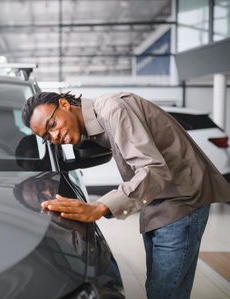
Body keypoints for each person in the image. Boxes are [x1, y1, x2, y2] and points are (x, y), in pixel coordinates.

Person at [21, 91, 230, 299]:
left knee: (164, 293)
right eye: (48, 137)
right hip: (157, 202)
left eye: (52, 125)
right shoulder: (96, 121)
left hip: (182, 200)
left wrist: (99, 206)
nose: (55, 136)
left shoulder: (113, 109)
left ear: (65, 104)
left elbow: (154, 170)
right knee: (162, 289)